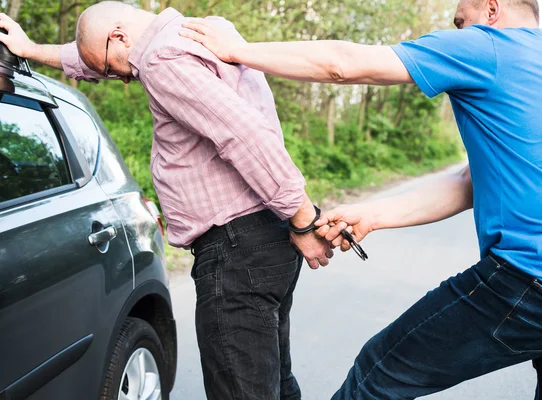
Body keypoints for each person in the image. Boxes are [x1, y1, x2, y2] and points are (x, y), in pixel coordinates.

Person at [179, 0, 542, 398]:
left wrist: (239, 50)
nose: (455, 29)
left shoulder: (490, 46)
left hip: (539, 279)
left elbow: (340, 65)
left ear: (491, 9)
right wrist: (374, 215)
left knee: (378, 373)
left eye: (459, 20)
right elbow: (470, 183)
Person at [0, 2, 336, 399]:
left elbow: (244, 135)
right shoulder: (203, 32)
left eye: (111, 69)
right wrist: (31, 48)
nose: (119, 79)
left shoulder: (160, 61)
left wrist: (304, 218)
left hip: (235, 249)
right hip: (263, 239)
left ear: (121, 36)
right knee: (275, 384)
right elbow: (95, 55)